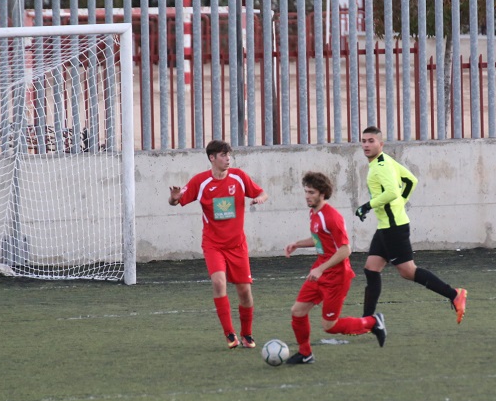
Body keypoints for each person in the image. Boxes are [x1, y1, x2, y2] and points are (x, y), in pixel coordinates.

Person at [355, 126, 467, 323]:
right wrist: (401, 203)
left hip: (393, 228)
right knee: (371, 269)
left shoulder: (381, 166)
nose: (366, 144)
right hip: (386, 226)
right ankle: (367, 321)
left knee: (408, 271)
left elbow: (391, 193)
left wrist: (367, 206)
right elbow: (411, 180)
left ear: (381, 144)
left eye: (371, 141)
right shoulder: (385, 161)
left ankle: (454, 294)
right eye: (363, 141)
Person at [169, 140, 268, 350]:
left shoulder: (239, 177)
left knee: (244, 292)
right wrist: (174, 198)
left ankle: (247, 334)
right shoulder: (201, 181)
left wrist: (260, 199)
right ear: (212, 158)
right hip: (213, 244)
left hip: (237, 245)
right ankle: (229, 333)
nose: (228, 159)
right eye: (223, 155)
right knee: (219, 283)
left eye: (229, 155)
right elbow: (177, 200)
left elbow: (262, 192)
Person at [283, 171, 387, 365]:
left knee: (329, 326)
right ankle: (305, 354)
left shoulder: (332, 217)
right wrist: (297, 244)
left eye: (311, 192)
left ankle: (373, 323)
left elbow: (345, 249)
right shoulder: (314, 212)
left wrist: (321, 268)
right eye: (306, 191)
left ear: (322, 193)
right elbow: (321, 240)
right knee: (297, 311)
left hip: (336, 277)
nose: (307, 196)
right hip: (320, 272)